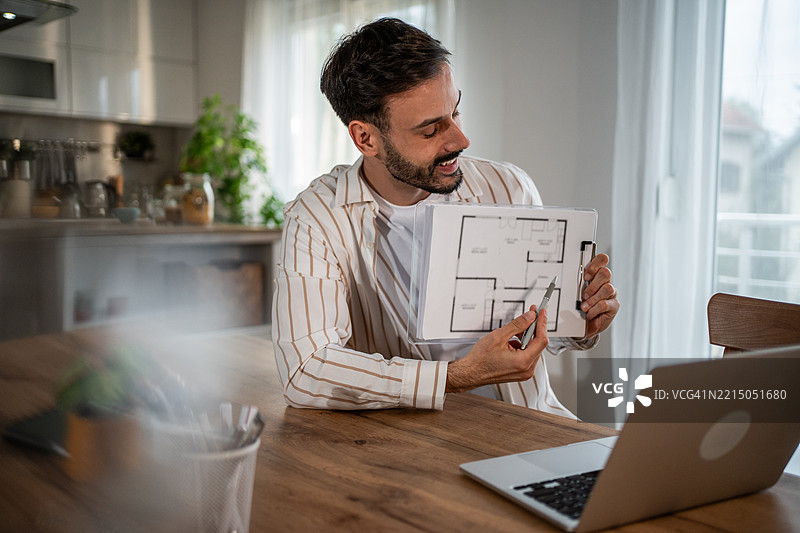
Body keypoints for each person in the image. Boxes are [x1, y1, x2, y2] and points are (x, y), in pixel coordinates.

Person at [272, 18, 619, 417]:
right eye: (430, 130)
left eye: (456, 113)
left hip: (528, 424)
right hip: (408, 442)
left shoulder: (508, 188)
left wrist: (580, 321)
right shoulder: (317, 218)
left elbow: (536, 326)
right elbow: (306, 371)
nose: (460, 140)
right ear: (365, 138)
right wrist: (455, 377)